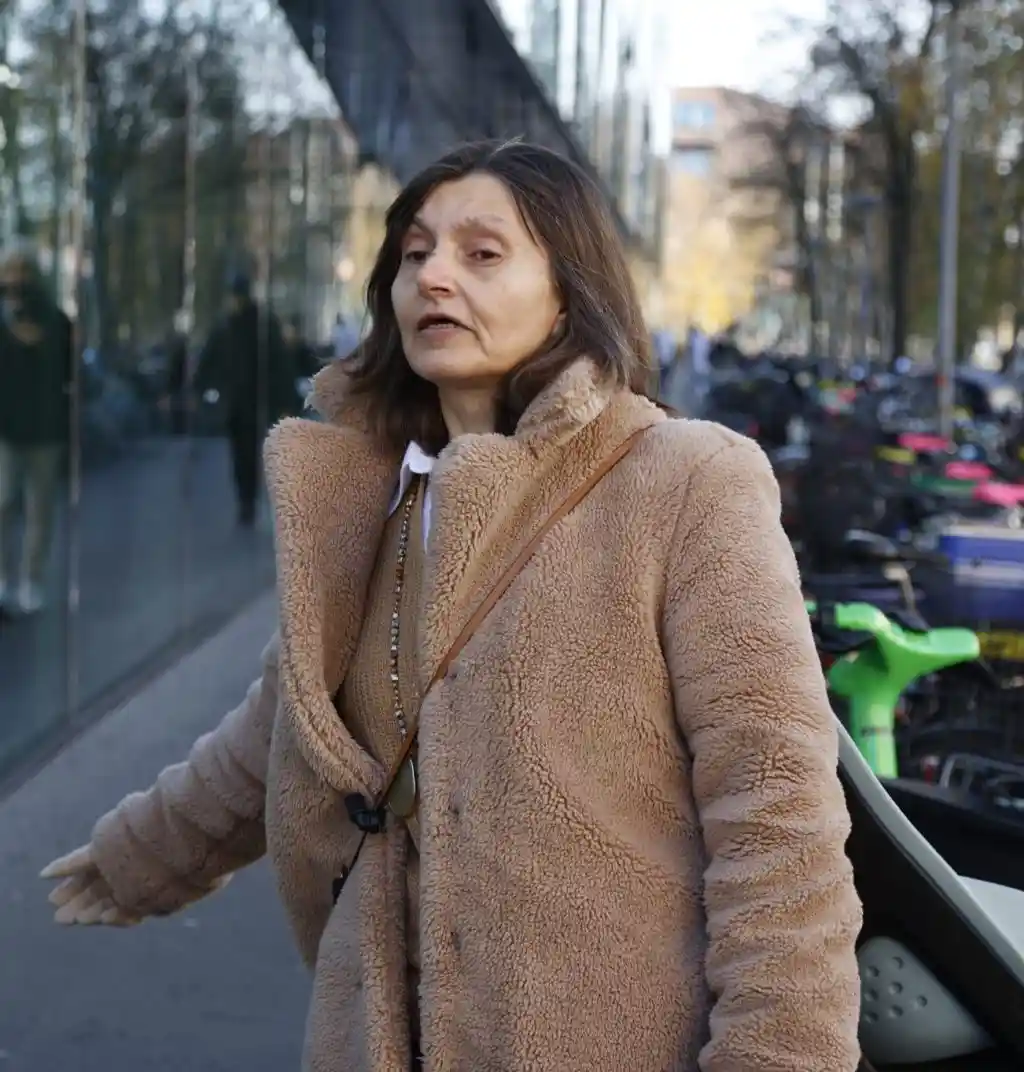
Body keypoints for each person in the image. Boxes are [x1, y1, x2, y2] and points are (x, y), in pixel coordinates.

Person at [41, 140, 862, 1071]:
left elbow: (776, 808)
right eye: (415, 252)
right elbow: (282, 726)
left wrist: (778, 1054)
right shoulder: (372, 500)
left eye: (482, 253)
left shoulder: (685, 481)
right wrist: (141, 855)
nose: (434, 275)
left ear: (569, 291)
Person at [0, 241, 74, 615]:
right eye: (11, 270)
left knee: (39, 510)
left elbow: (69, 372)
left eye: (23, 270)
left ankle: (31, 580)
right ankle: (2, 579)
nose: (17, 279)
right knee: (2, 503)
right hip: (5, 430)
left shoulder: (55, 320)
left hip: (45, 430)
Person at [192, 272, 295, 525]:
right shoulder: (243, 326)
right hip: (243, 401)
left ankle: (247, 499)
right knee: (242, 452)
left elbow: (279, 363)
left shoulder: (248, 326)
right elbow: (209, 359)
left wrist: (284, 400)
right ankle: (246, 498)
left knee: (246, 451)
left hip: (250, 400)